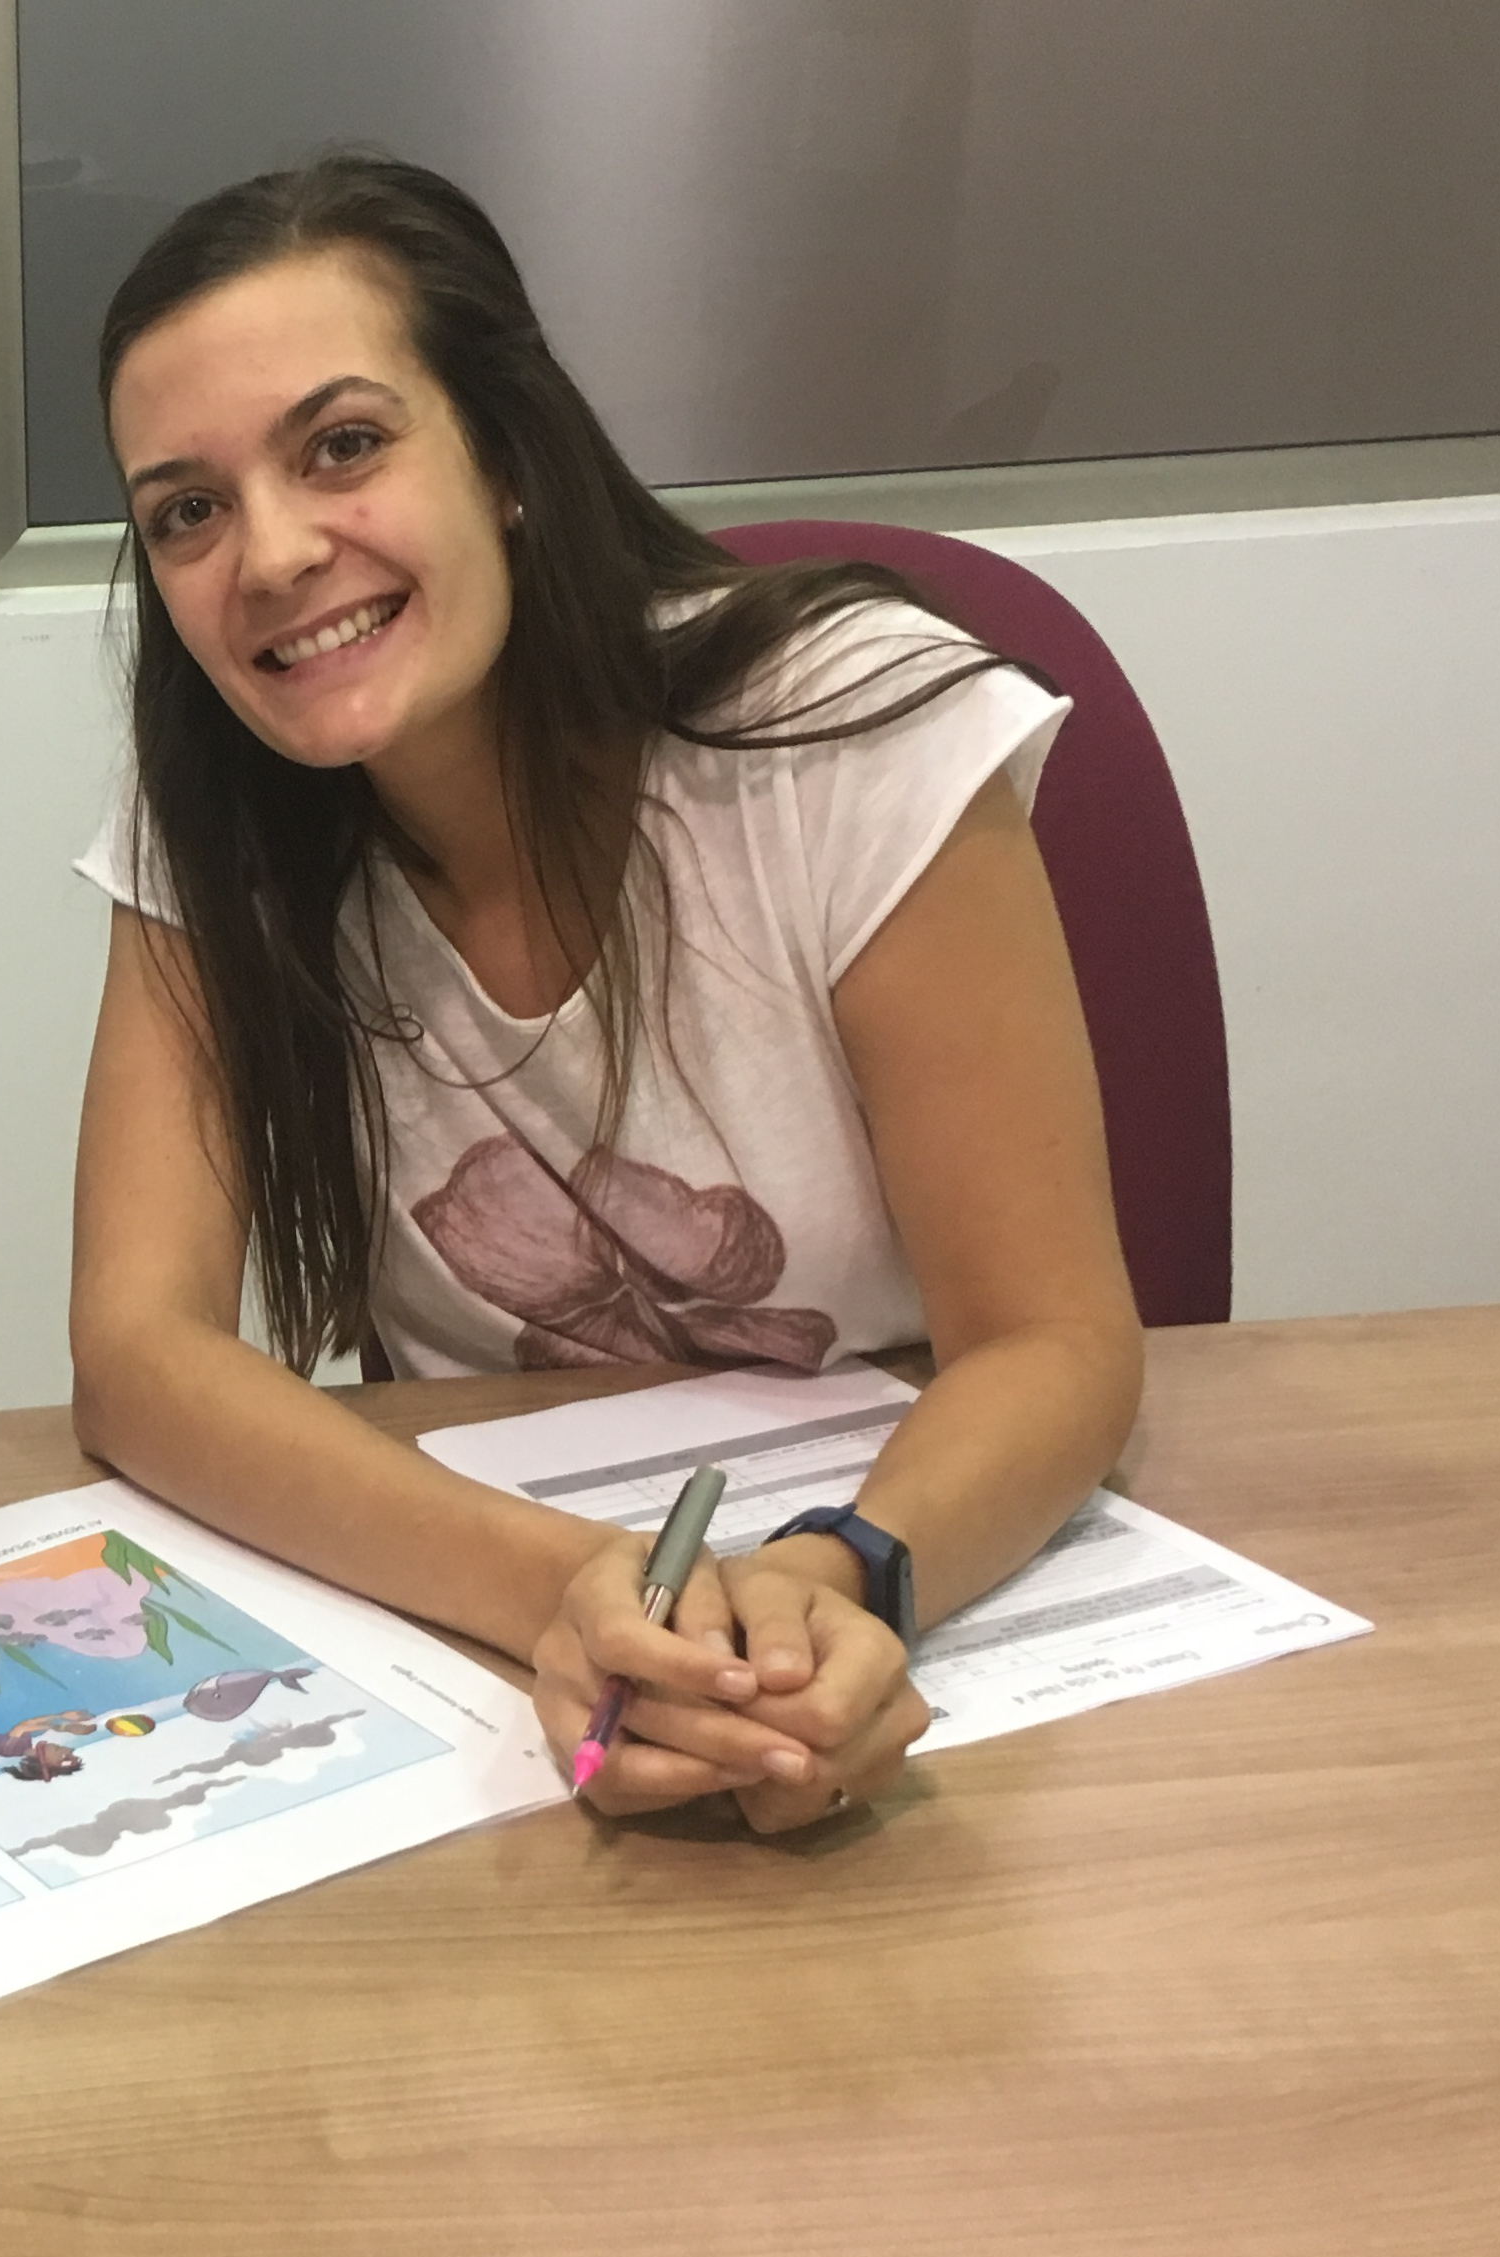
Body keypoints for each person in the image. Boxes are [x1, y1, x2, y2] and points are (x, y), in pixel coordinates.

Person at [65, 156, 1144, 1837]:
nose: (266, 552)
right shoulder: (211, 829)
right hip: (518, 1670)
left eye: (340, 445)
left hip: (901, 1590)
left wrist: (832, 1583)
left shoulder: (847, 726)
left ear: (504, 455)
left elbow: (1053, 1337)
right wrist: (574, 1590)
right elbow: (139, 1353)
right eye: (184, 511)